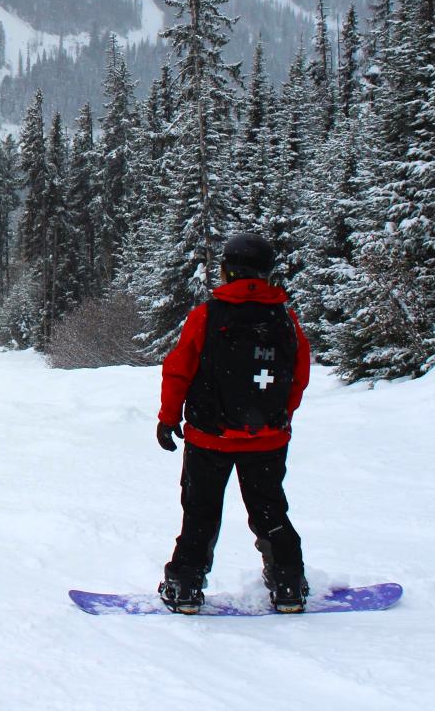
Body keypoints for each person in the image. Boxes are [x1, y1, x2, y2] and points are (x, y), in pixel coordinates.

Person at [155, 232, 312, 614]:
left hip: (209, 438)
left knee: (201, 513)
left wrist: (167, 417)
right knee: (270, 511)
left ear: (226, 270)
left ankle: (185, 587)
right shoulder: (285, 317)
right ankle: (289, 584)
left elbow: (178, 371)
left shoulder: (207, 315)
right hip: (267, 441)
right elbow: (299, 374)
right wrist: (279, 419)